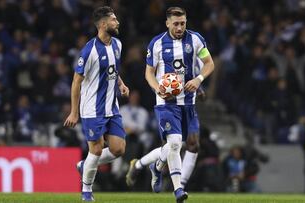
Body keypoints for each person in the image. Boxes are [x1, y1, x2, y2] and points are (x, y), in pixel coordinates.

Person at [131, 7, 214, 202]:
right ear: (167, 23)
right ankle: (179, 189)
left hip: (188, 103)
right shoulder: (157, 43)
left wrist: (199, 79)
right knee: (176, 143)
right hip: (166, 103)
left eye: (183, 23)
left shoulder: (196, 39)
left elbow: (209, 63)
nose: (179, 27)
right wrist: (157, 88)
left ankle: (155, 166)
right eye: (175, 24)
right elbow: (149, 72)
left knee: (185, 144)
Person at [63, 6, 129, 202]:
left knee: (119, 149)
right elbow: (76, 82)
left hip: (112, 107)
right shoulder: (89, 51)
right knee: (97, 149)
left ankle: (85, 165)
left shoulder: (117, 44)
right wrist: (74, 112)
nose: (117, 23)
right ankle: (86, 192)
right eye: (113, 20)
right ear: (102, 24)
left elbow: (113, 70)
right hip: (92, 108)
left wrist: (121, 84)